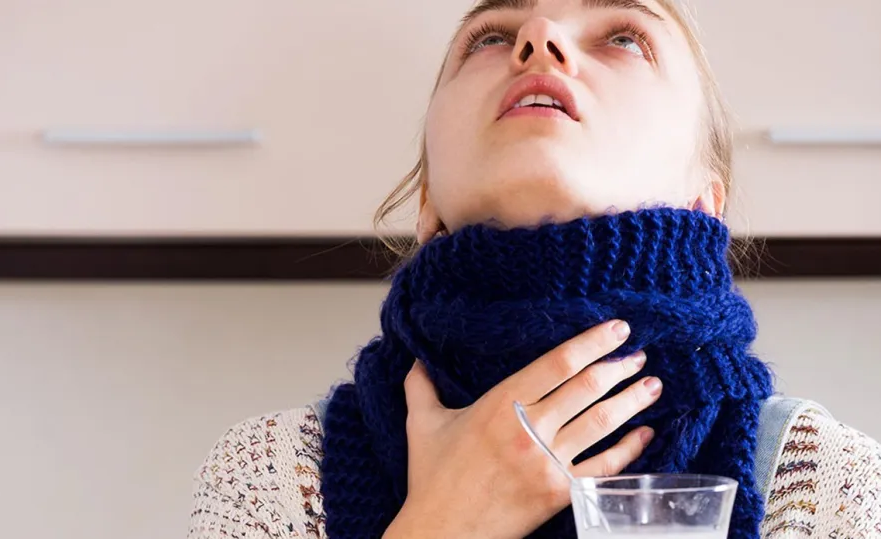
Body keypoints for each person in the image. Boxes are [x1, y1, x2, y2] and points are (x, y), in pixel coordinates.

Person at [188, 1, 881, 538]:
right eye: (489, 37)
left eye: (624, 37)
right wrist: (445, 522)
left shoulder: (822, 483)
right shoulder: (273, 476)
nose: (539, 37)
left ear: (704, 203)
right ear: (428, 207)